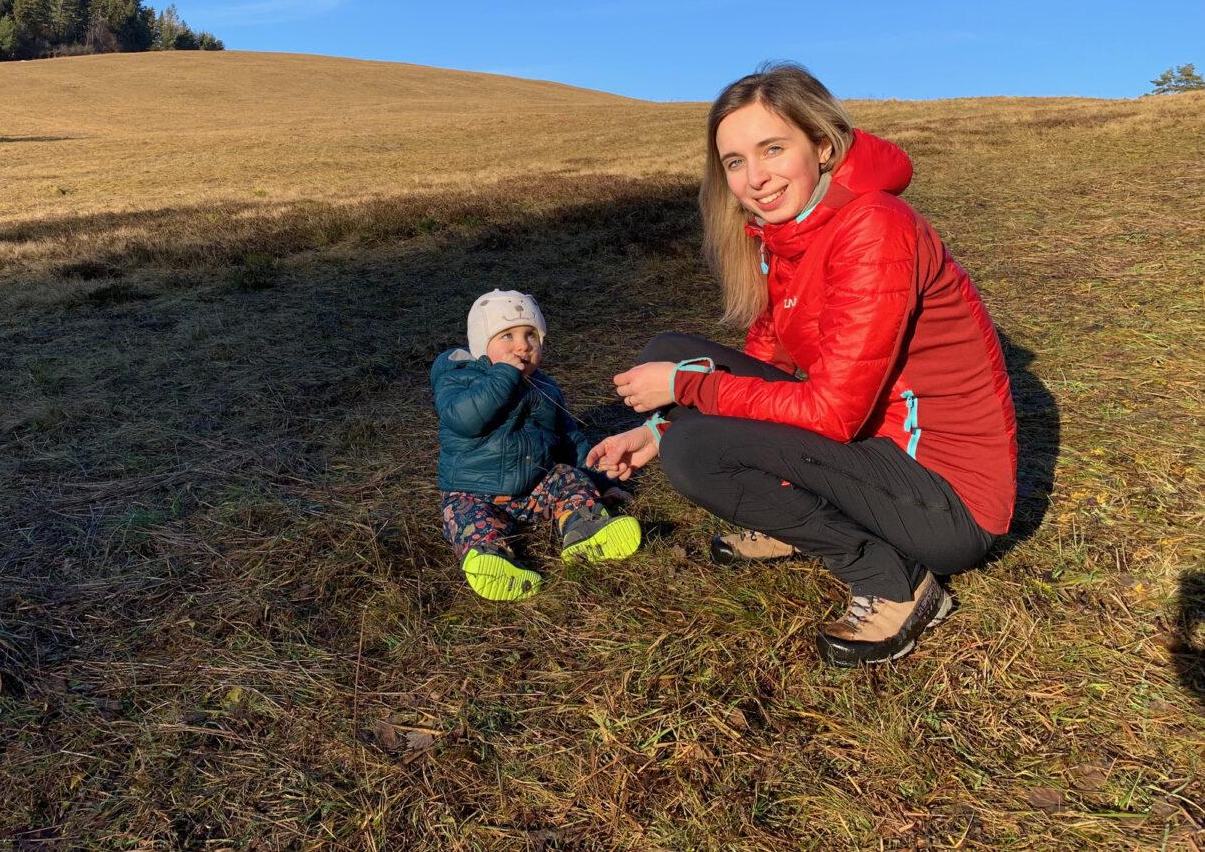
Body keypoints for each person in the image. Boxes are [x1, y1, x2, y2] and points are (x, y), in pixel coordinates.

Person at [587, 64, 1016, 665]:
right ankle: (788, 514)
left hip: (945, 502)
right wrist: (660, 425)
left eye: (772, 149)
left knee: (696, 444)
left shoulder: (873, 227)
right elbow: (769, 356)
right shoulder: (787, 235)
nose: (755, 178)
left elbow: (833, 412)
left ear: (822, 145)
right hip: (873, 446)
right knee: (666, 356)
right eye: (735, 161)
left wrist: (687, 394)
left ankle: (893, 580)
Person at [432, 289, 642, 601]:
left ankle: (587, 529)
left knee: (569, 478)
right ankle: (490, 558)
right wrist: (502, 375)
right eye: (507, 336)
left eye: (531, 335)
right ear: (481, 345)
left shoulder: (545, 388)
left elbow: (570, 440)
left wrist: (601, 479)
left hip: (532, 489)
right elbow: (465, 419)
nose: (522, 345)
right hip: (473, 490)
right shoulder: (461, 378)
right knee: (465, 517)